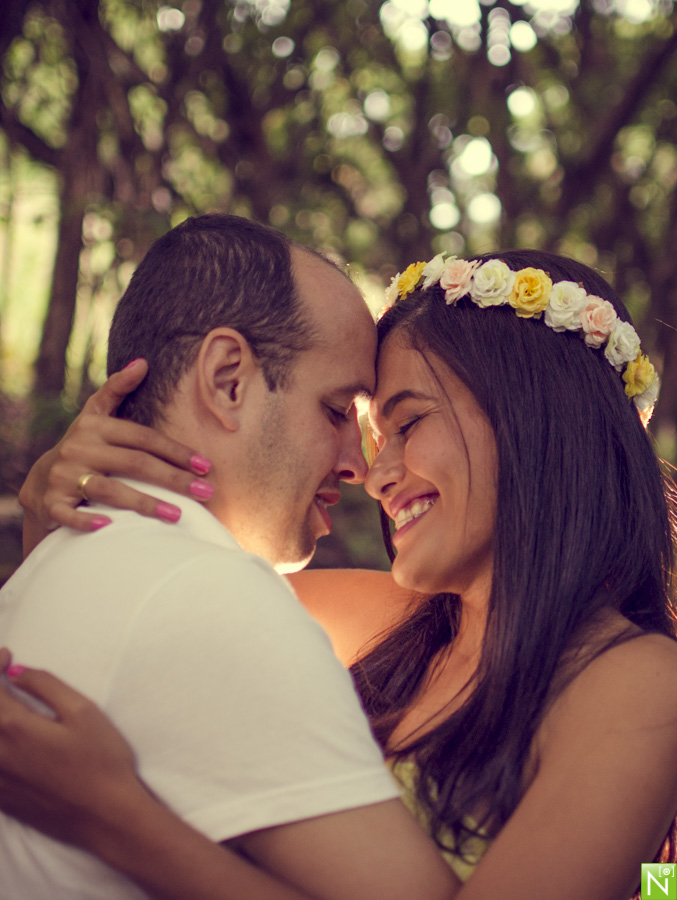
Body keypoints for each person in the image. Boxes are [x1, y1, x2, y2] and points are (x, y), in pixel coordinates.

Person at [2, 248, 677, 900]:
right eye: (360, 428)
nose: (374, 476)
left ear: (536, 418)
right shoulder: (383, 621)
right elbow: (122, 619)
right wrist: (51, 505)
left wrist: (116, 824)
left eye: (407, 424)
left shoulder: (635, 683)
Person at [0, 213, 460, 900]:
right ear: (226, 380)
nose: (361, 468)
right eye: (338, 411)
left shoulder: (49, 571)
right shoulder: (209, 595)